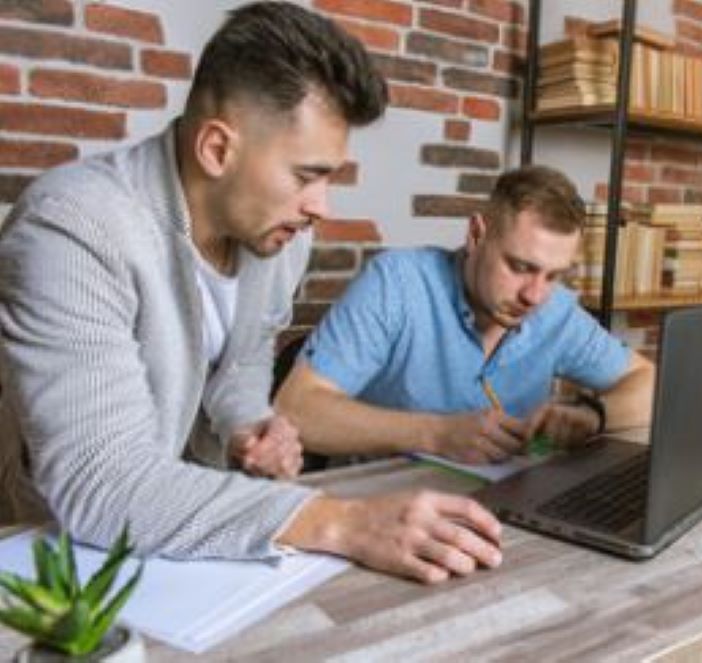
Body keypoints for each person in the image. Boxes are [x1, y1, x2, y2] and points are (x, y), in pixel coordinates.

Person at [0, 1, 502, 585]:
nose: (322, 206)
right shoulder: (71, 227)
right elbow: (102, 480)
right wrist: (339, 521)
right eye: (307, 175)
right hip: (51, 558)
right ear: (217, 149)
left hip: (182, 542)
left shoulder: (277, 236)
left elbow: (241, 361)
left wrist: (247, 423)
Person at [275, 166, 655, 464]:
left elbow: (647, 382)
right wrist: (436, 434)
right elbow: (297, 409)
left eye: (553, 275)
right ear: (476, 235)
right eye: (520, 266)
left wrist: (594, 416)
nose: (535, 295)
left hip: (503, 509)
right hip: (378, 506)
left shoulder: (554, 310)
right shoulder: (396, 283)